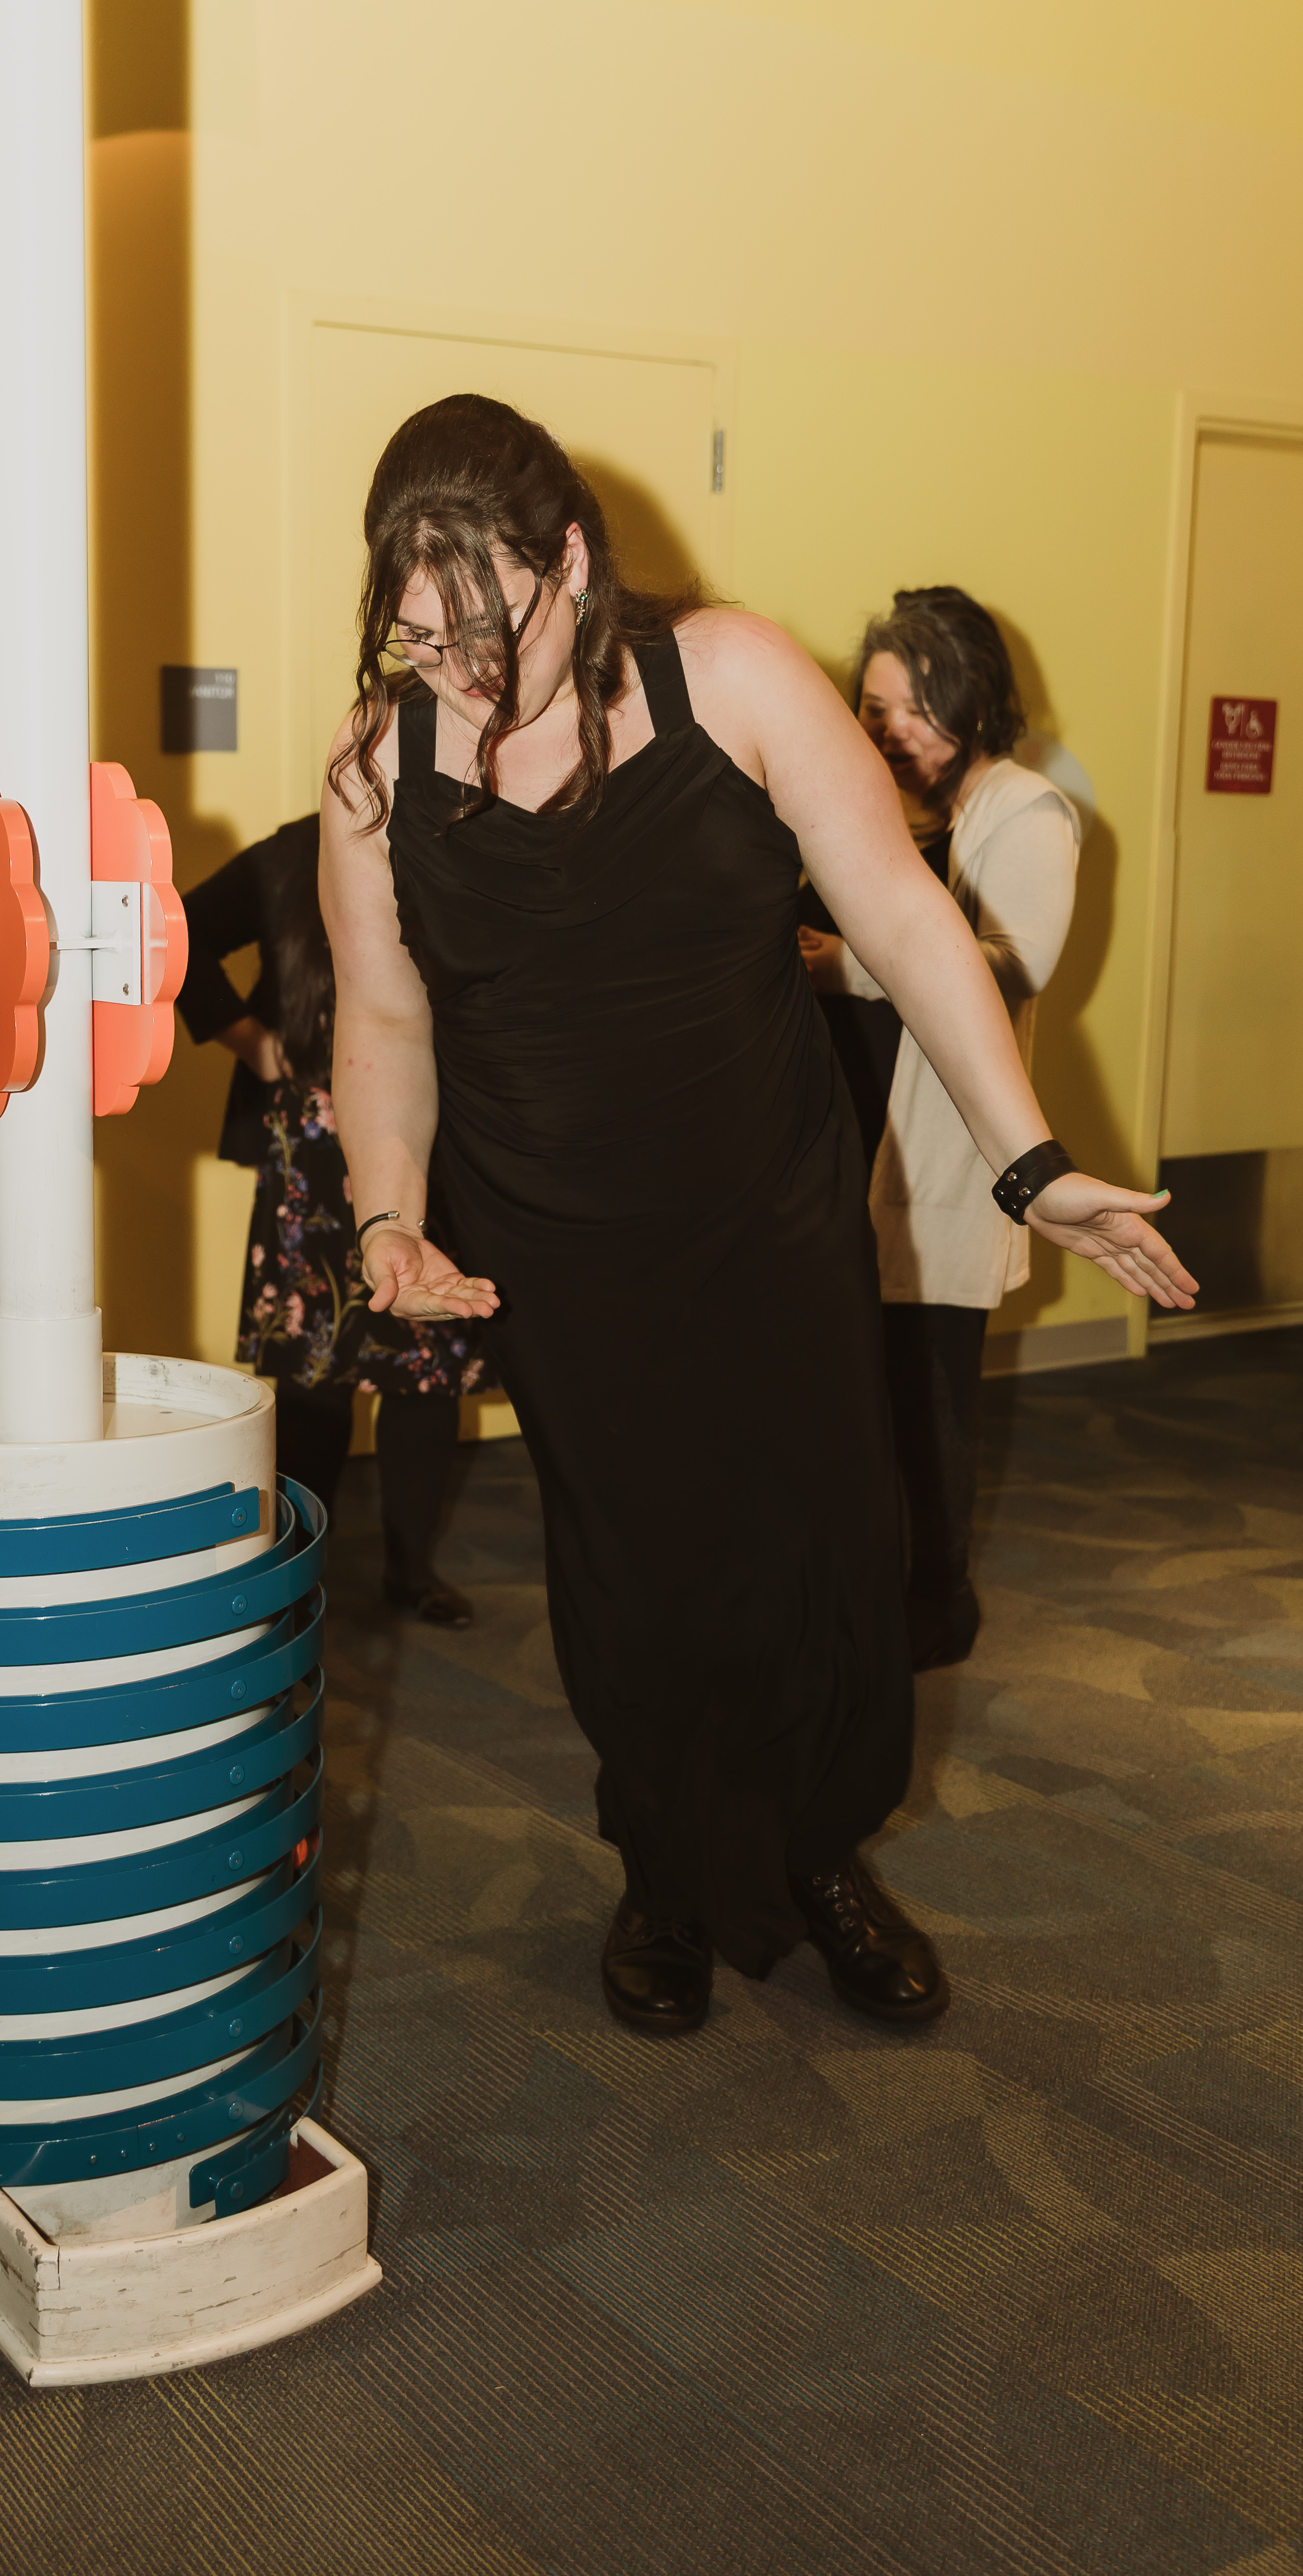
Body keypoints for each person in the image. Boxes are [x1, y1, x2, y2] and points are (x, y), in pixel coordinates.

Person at [320, 394, 1195, 2040]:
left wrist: (1031, 1164)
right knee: (633, 1561)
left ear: (572, 560)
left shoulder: (729, 678)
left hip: (762, 1213)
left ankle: (819, 1853)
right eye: (421, 641)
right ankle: (663, 1869)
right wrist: (385, 1221)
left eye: (485, 632)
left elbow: (908, 923)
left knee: (821, 1539)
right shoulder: (379, 768)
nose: (459, 676)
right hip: (558, 1240)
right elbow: (383, 1018)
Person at [799, 588, 1080, 1672]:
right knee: (851, 1390)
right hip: (840, 1134)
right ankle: (865, 1582)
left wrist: (849, 964)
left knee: (928, 1389)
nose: (890, 732)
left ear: (972, 703)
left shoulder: (1025, 810)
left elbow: (1013, 965)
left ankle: (941, 1592)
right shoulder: (863, 806)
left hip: (938, 1146)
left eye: (915, 709)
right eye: (874, 709)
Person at [178, 812, 487, 1626]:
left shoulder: (463, 836)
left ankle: (410, 1571)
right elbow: (178, 932)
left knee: (427, 1366)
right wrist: (256, 1045)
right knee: (313, 1370)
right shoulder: (294, 851)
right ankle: (295, 1568)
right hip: (312, 1139)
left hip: (429, 1131)